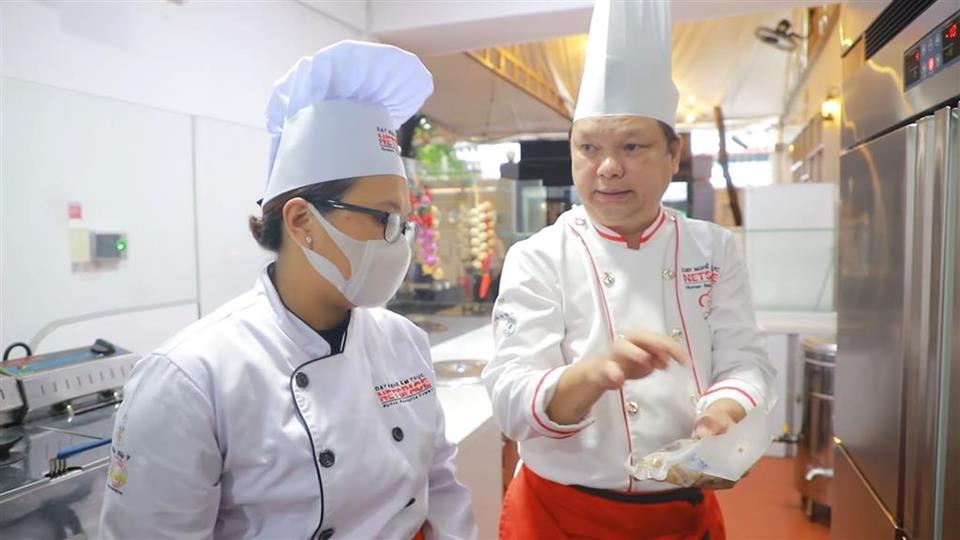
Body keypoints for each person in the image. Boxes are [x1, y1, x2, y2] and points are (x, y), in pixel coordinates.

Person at [99, 40, 477, 540]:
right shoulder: (190, 380)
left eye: (404, 224)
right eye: (384, 219)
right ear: (302, 222)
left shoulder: (403, 341)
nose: (399, 243)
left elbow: (440, 489)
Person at [482, 2, 776, 539]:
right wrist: (593, 374)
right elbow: (509, 399)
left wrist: (723, 412)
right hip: (559, 516)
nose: (608, 167)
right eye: (588, 147)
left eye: (632, 146)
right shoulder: (539, 256)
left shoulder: (713, 248)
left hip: (682, 513)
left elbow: (746, 360)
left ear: (673, 153)